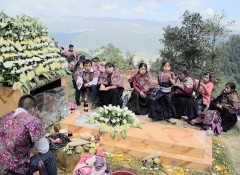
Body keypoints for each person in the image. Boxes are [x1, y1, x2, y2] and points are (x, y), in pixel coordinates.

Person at [0, 95, 57, 175]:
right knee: (48, 156)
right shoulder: (33, 121)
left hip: (2, 167)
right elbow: (44, 149)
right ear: (32, 109)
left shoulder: (4, 117)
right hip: (16, 170)